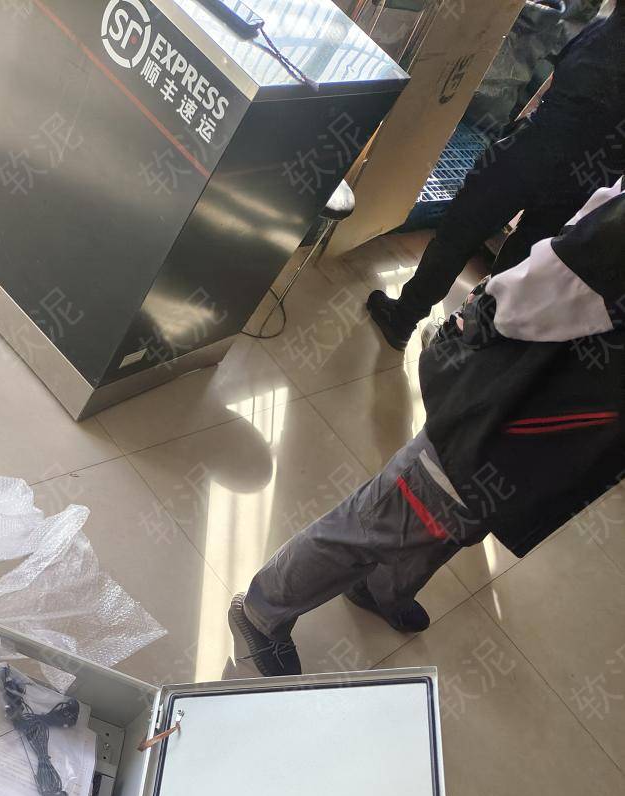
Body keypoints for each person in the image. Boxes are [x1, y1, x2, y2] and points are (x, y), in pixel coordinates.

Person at [230, 180, 625, 677]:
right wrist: (482, 317)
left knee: (458, 523)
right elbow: (558, 275)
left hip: (566, 436)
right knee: (392, 514)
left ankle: (380, 587)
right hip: (520, 411)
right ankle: (260, 611)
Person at [366, 1, 625, 352]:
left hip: (541, 144)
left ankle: (405, 318)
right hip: (590, 178)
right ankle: (470, 343)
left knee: (462, 227)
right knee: (524, 259)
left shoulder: (611, 30)